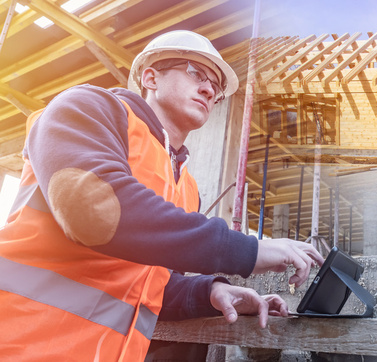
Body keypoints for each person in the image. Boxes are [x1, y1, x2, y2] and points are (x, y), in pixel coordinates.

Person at [0, 30, 324, 361]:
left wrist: (210, 291)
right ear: (151, 77)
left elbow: (148, 287)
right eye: (196, 72)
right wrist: (247, 250)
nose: (209, 89)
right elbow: (95, 213)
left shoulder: (187, 188)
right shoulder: (90, 108)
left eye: (216, 88)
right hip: (20, 343)